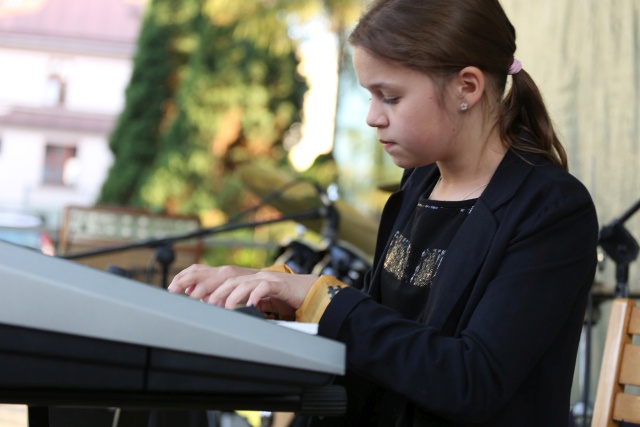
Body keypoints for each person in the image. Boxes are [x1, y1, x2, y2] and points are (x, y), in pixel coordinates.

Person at [168, 0, 599, 425]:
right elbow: (385, 343)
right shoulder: (419, 184)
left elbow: (471, 382)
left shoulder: (552, 210)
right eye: (370, 96)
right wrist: (279, 299)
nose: (373, 117)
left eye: (389, 97)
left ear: (467, 87)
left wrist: (325, 299)